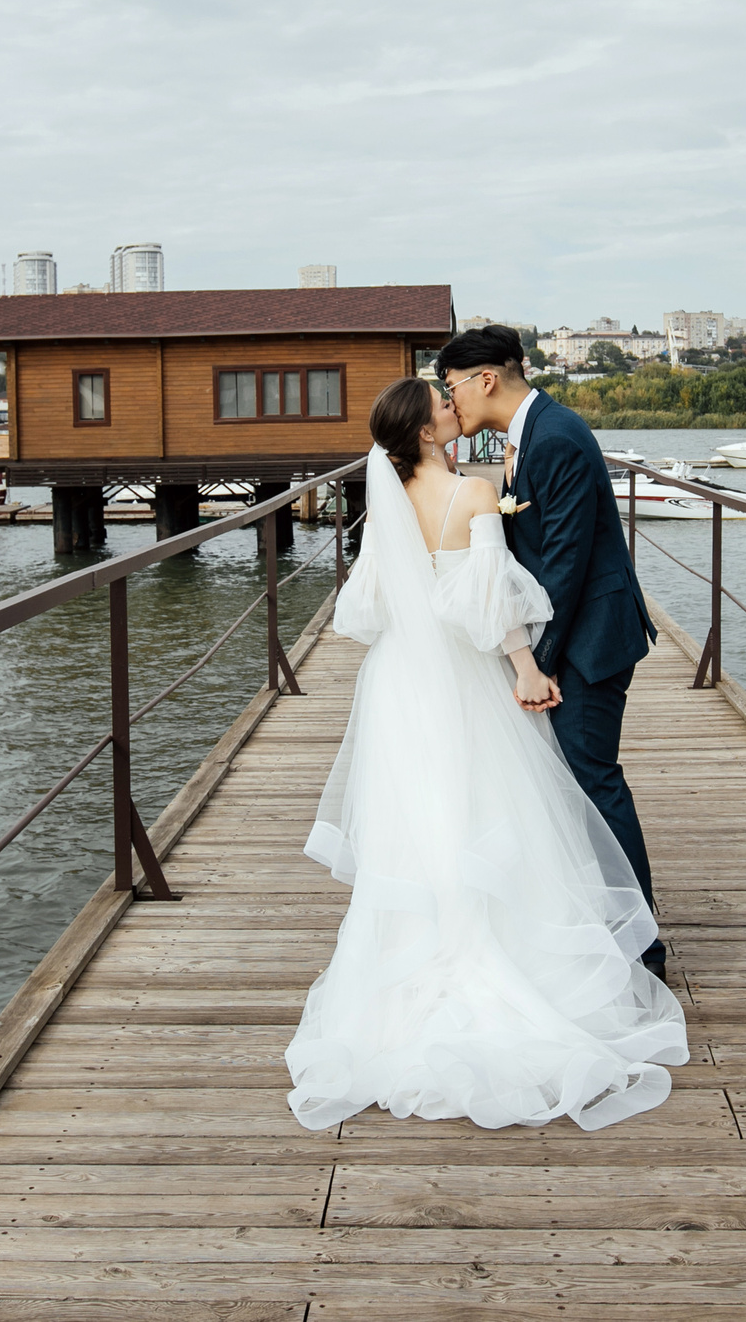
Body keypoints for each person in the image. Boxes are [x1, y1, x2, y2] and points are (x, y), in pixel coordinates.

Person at [285, 378, 687, 1132]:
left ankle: (417, 960)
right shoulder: (471, 495)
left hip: (402, 677)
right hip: (464, 674)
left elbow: (366, 606)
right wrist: (528, 668)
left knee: (422, 811)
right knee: (485, 798)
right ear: (427, 430)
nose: (451, 405)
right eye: (440, 403)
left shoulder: (389, 503)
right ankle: (494, 948)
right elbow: (494, 601)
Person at [437, 324, 667, 977]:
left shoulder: (557, 436)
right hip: (571, 634)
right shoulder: (523, 435)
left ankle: (643, 951)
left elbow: (565, 564)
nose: (450, 399)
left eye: (452, 385)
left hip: (590, 641)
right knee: (570, 789)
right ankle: (601, 927)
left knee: (594, 783)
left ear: (486, 378)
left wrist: (537, 666)